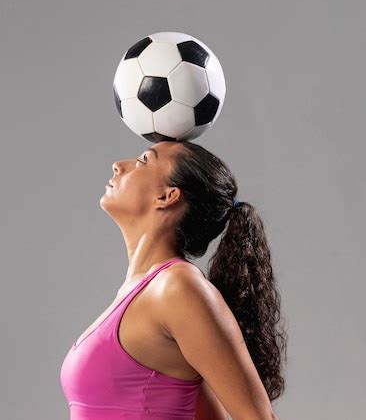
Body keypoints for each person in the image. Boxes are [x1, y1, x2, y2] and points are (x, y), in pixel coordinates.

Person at [60, 140, 287, 420]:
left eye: (143, 160)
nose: (119, 165)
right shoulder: (144, 291)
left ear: (168, 196)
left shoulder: (177, 287)